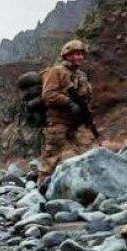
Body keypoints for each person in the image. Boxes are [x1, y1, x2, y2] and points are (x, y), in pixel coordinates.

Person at [37, 39, 93, 188]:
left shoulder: (81, 75)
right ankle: (40, 189)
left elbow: (85, 96)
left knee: (86, 154)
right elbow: (48, 94)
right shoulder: (56, 71)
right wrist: (69, 102)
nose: (80, 57)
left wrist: (85, 111)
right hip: (58, 121)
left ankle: (85, 187)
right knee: (51, 158)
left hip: (76, 122)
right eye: (76, 54)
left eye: (81, 54)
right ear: (67, 55)